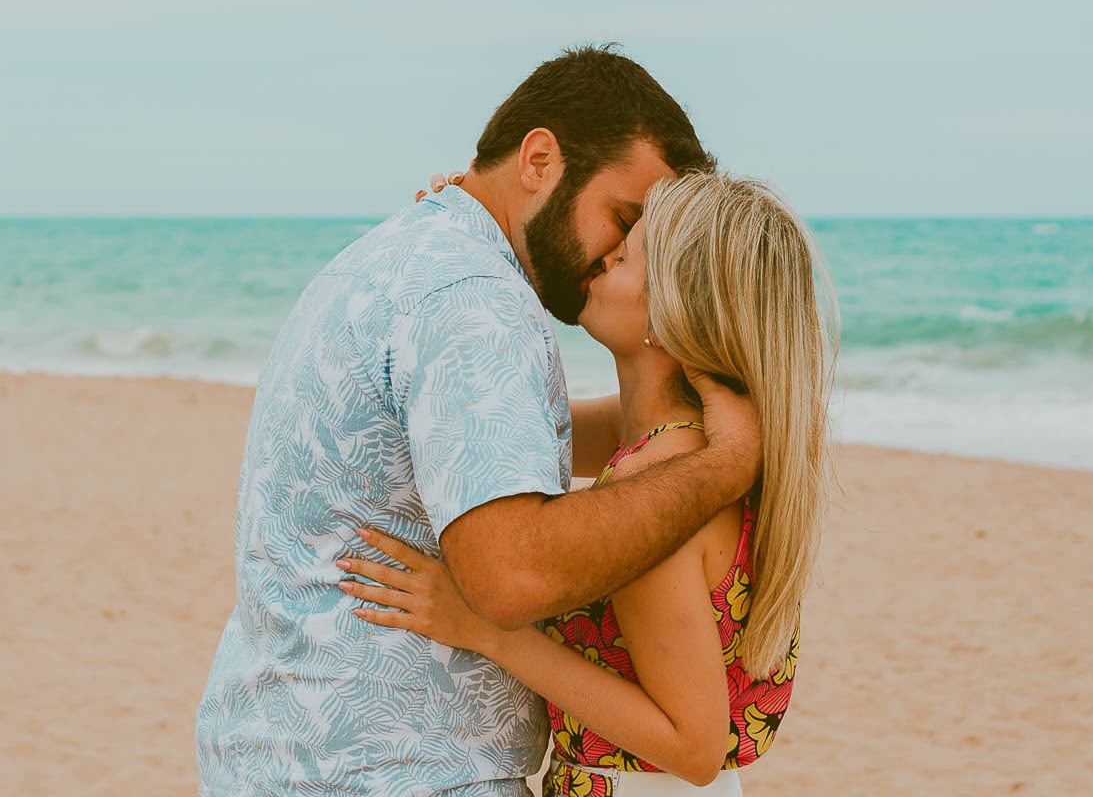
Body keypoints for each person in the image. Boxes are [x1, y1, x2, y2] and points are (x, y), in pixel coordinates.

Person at [195, 46, 762, 797]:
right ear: (538, 160)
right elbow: (510, 576)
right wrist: (725, 465)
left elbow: (508, 439)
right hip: (389, 776)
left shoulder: (402, 257)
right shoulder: (470, 299)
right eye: (624, 219)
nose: (619, 253)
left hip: (297, 758)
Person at [338, 171, 839, 796]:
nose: (603, 256)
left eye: (625, 254)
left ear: (674, 311)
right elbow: (497, 432)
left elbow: (695, 746)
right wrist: (481, 230)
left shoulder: (658, 496)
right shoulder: (676, 446)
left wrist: (487, 630)